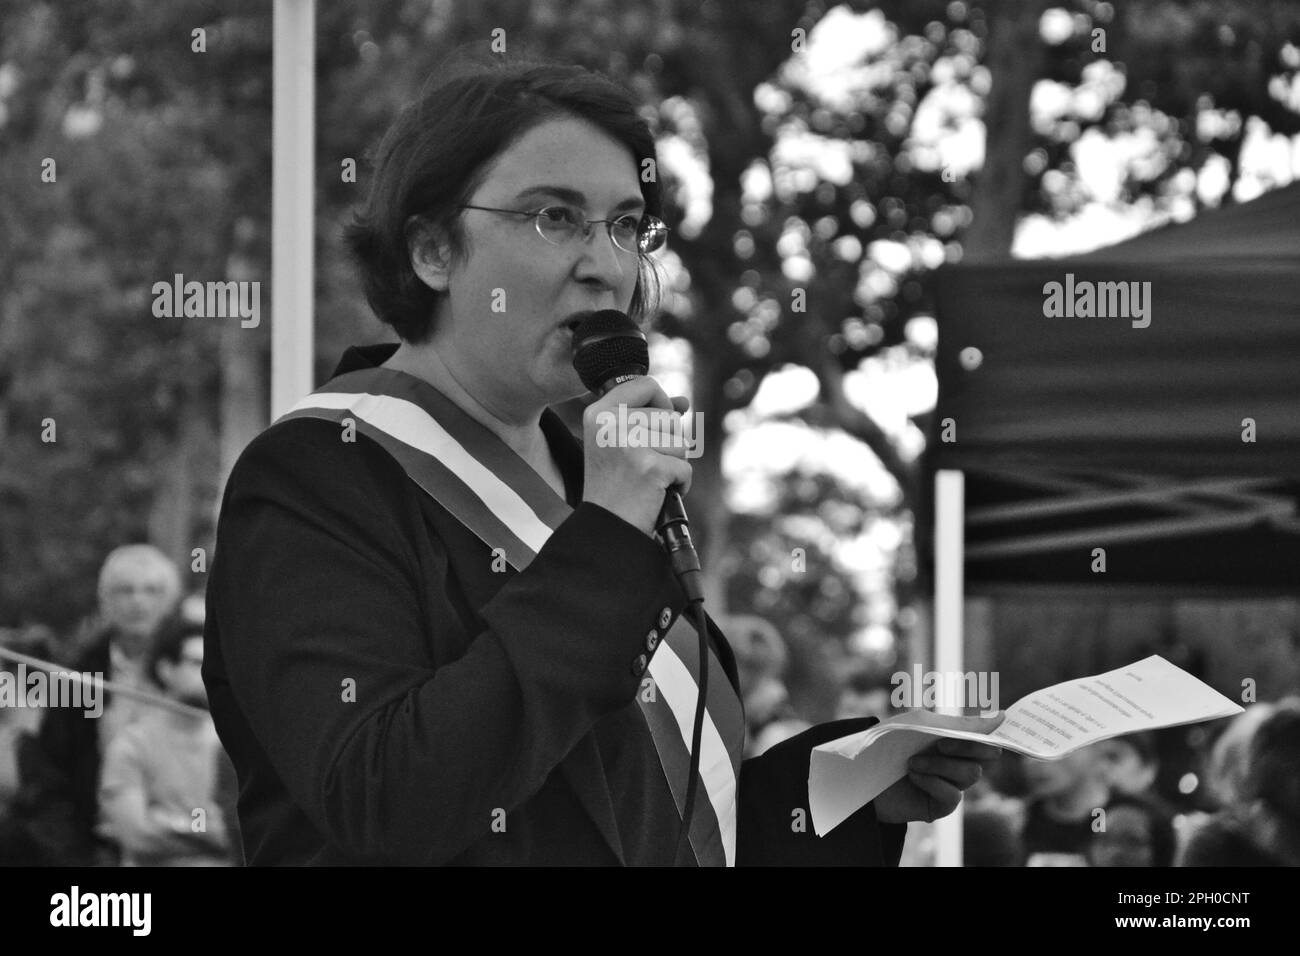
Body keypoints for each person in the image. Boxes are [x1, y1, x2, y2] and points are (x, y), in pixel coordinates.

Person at [202, 55, 1000, 866]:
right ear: (433, 250)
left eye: (626, 224)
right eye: (555, 217)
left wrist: (837, 793)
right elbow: (387, 799)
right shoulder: (317, 474)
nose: (609, 266)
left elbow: (648, 824)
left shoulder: (596, 477)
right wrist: (610, 536)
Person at [6, 544, 181, 865]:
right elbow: (49, 779)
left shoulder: (198, 673)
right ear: (106, 601)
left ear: (169, 602)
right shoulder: (77, 675)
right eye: (125, 591)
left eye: (151, 591)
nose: (138, 601)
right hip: (96, 848)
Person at [97, 617, 231, 866]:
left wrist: (171, 822)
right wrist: (207, 829)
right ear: (166, 669)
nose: (209, 672)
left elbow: (245, 830)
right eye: (195, 663)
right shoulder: (131, 745)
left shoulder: (229, 743)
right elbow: (137, 835)